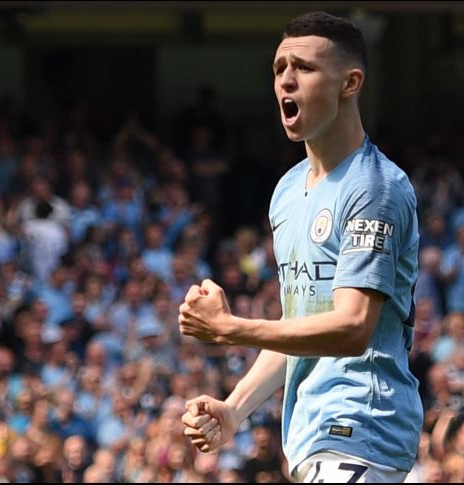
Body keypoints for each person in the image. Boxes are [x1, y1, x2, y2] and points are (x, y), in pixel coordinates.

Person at [179, 11, 422, 483]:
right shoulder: (288, 191)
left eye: (304, 68)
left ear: (350, 83)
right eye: (278, 69)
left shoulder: (375, 186)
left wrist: (232, 329)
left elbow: (352, 327)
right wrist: (235, 409)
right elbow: (300, 327)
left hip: (361, 423)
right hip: (313, 435)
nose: (286, 80)